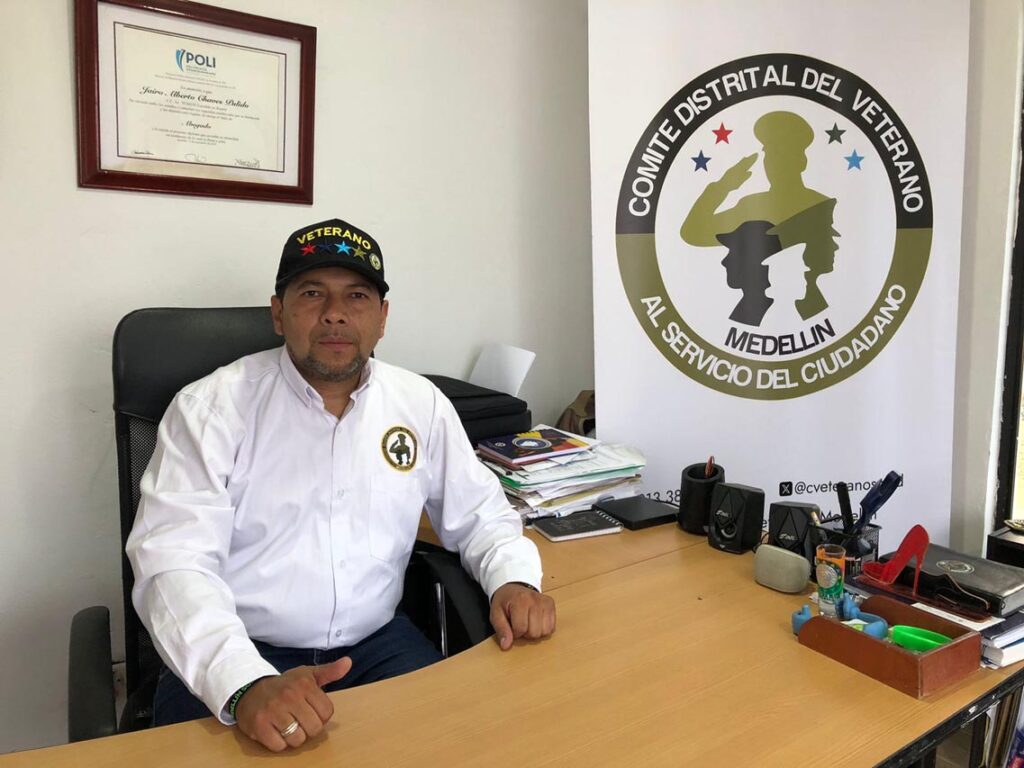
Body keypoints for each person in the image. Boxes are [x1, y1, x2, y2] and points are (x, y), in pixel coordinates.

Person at [126, 217, 556, 752]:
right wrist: (244, 682)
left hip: (378, 647)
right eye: (312, 294)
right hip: (241, 650)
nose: (335, 313)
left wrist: (514, 580)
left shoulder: (419, 404)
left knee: (471, 746)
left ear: (382, 318)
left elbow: (482, 515)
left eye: (356, 296)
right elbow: (173, 563)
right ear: (278, 313)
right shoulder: (210, 408)